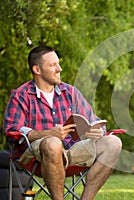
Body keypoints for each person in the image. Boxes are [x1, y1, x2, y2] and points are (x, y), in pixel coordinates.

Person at [3, 46, 122, 200]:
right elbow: (12, 131)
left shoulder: (70, 92)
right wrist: (48, 134)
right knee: (53, 143)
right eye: (53, 65)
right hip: (35, 157)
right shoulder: (21, 96)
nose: (59, 69)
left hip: (72, 151)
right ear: (37, 70)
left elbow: (94, 120)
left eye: (58, 64)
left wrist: (99, 130)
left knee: (114, 142)